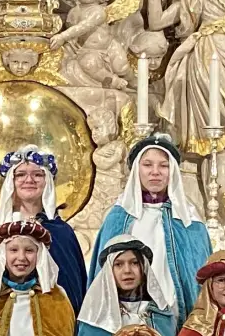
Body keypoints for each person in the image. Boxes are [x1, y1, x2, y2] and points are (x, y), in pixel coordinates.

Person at [87, 134, 214, 321]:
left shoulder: (190, 222)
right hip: (127, 318)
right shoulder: (118, 218)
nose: (155, 172)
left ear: (173, 172)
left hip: (178, 317)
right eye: (147, 165)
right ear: (137, 169)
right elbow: (102, 277)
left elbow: (199, 278)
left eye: (163, 165)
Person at [0, 145, 87, 312]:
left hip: (52, 325)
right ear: (10, 183)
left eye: (37, 174)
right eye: (20, 175)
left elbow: (74, 291)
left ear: (47, 181)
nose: (29, 180)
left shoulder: (61, 233)